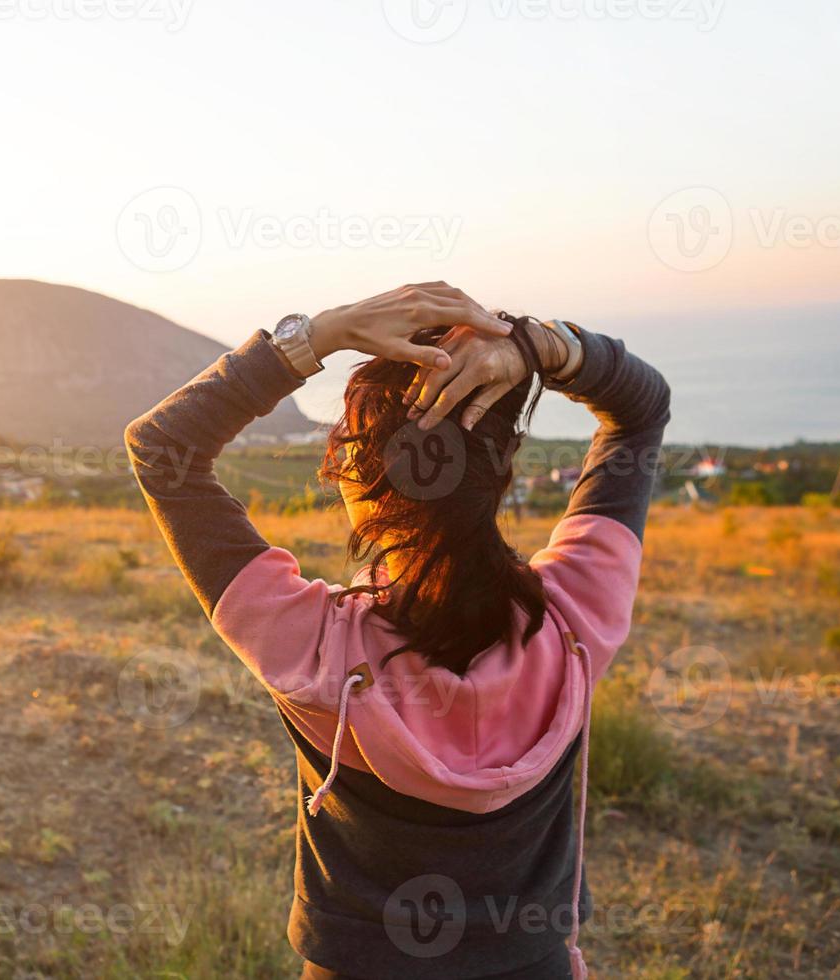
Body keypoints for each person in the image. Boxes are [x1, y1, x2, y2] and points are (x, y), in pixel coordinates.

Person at [126, 283, 670, 980]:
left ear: (356, 475)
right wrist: (535, 347)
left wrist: (317, 336)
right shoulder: (576, 618)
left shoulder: (313, 647)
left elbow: (162, 447)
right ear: (502, 469)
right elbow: (640, 411)